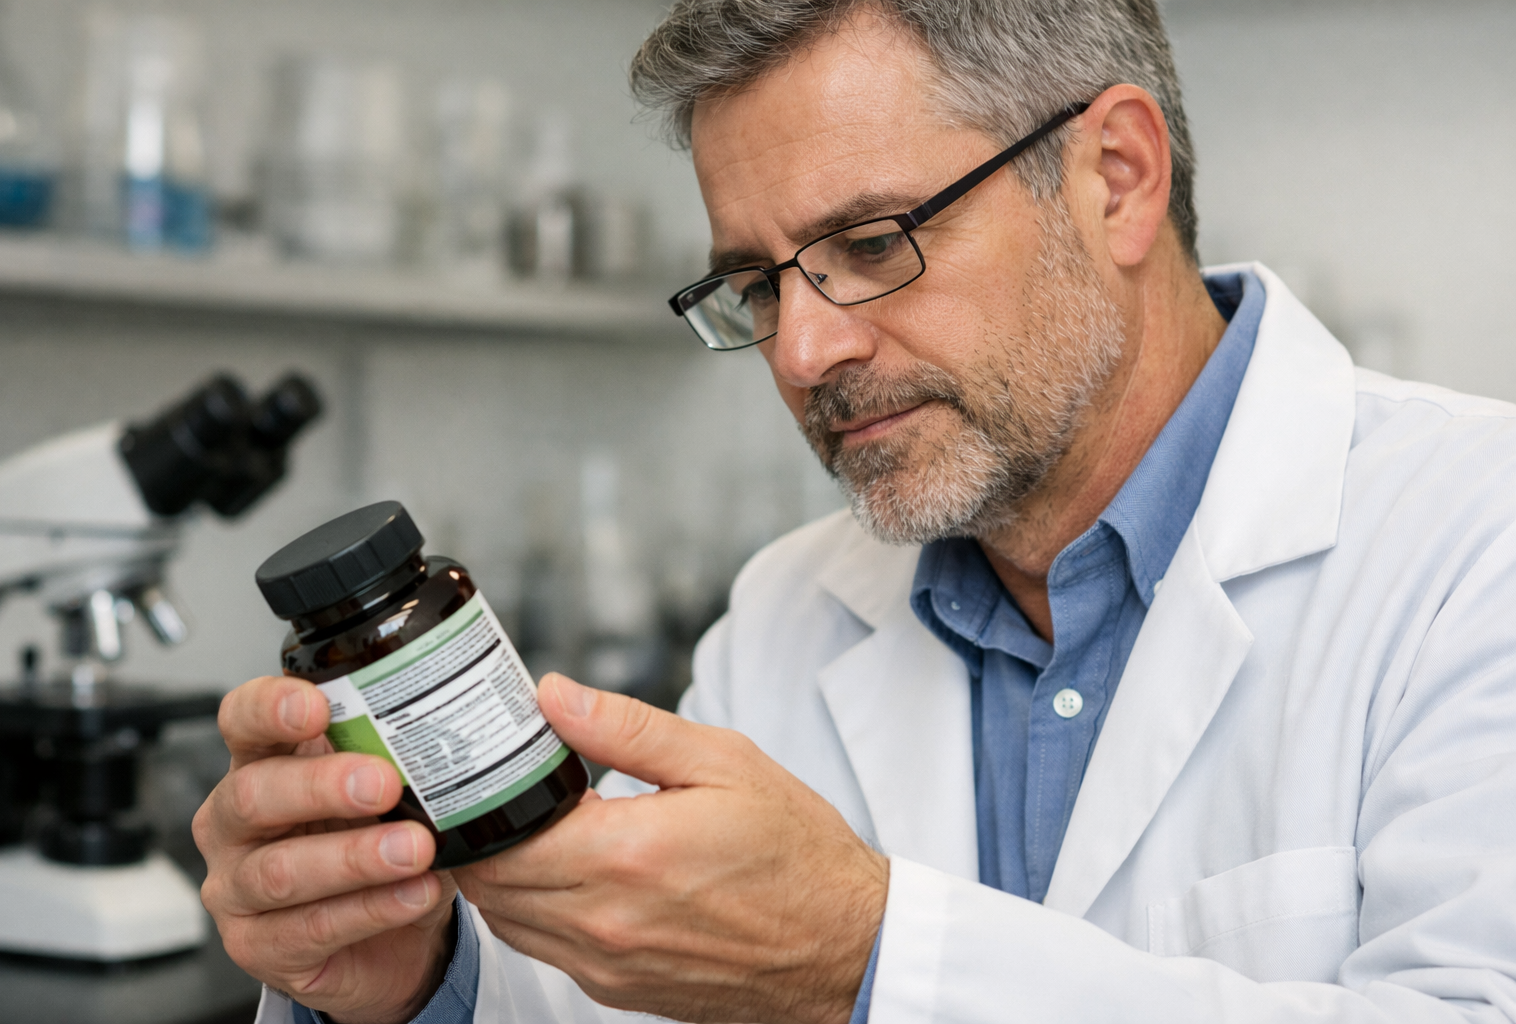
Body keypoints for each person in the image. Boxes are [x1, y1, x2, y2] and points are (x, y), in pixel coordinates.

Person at [195, 1, 1516, 1022]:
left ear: (1116, 174)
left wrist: (871, 962)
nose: (802, 352)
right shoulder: (786, 613)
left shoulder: (1473, 535)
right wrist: (418, 978)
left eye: (874, 244)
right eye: (757, 285)